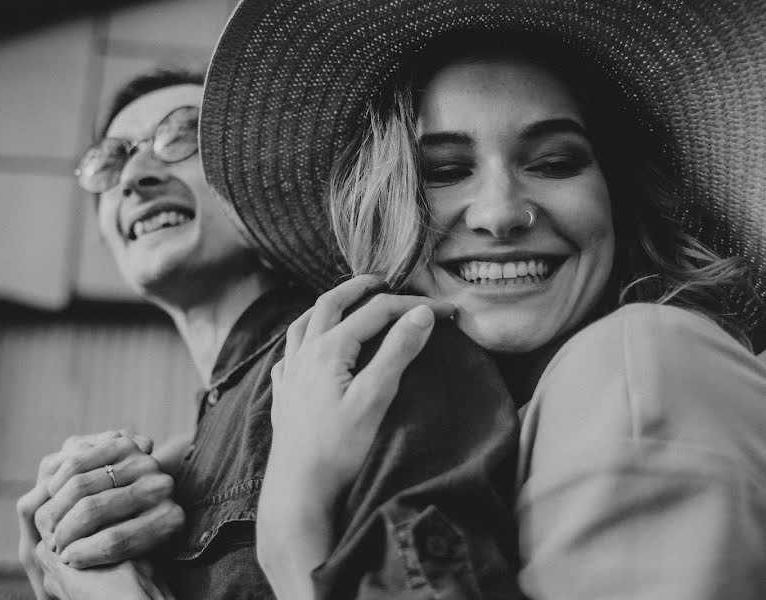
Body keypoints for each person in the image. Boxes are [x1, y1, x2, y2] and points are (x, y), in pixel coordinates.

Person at [198, 0, 766, 598]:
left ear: (618, 200)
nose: (500, 213)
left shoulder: (645, 362)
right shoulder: (431, 425)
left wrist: (294, 533)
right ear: (378, 209)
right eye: (443, 171)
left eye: (554, 162)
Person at [17, 67, 515, 600]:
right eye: (109, 161)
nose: (136, 175)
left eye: (182, 136)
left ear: (261, 182)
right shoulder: (187, 448)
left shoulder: (362, 347)